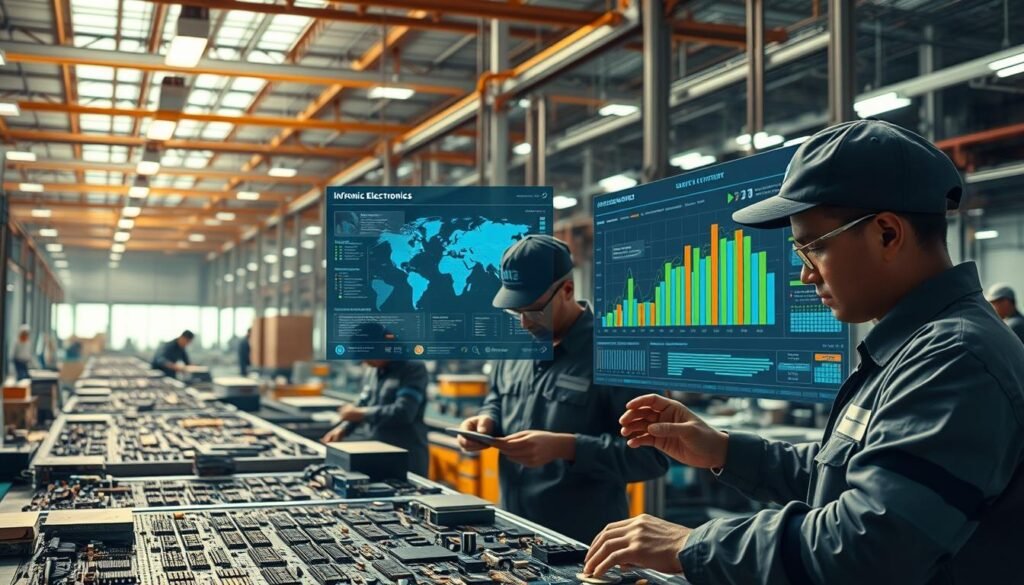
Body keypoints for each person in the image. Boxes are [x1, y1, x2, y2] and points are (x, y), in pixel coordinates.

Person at [583, 120, 1024, 584]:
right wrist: (723, 449)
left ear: (887, 234)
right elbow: (847, 471)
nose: (805, 275)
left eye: (814, 249)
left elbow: (866, 543)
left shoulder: (955, 359)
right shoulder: (918, 347)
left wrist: (691, 544)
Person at [458, 235, 669, 543]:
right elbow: (498, 397)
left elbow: (652, 457)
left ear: (567, 290)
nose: (524, 323)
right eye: (516, 312)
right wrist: (486, 421)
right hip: (513, 535)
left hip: (584, 545)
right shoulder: (516, 346)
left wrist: (568, 448)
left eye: (533, 310)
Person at [321, 323, 430, 476]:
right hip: (376, 453)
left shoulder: (412, 368)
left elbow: (404, 412)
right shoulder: (373, 370)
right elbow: (364, 402)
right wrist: (343, 428)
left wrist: (361, 414)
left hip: (406, 458)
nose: (365, 361)